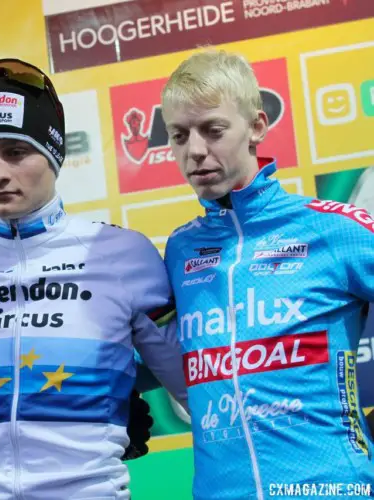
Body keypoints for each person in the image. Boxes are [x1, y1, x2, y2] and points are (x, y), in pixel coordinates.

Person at [0, 58, 188, 500]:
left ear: (54, 154)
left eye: (17, 152)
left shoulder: (122, 253)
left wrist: (107, 396)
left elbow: (190, 385)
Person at [162, 48, 374, 499]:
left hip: (331, 490)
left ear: (257, 126)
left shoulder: (335, 229)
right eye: (179, 135)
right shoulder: (180, 250)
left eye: (213, 130)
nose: (195, 151)